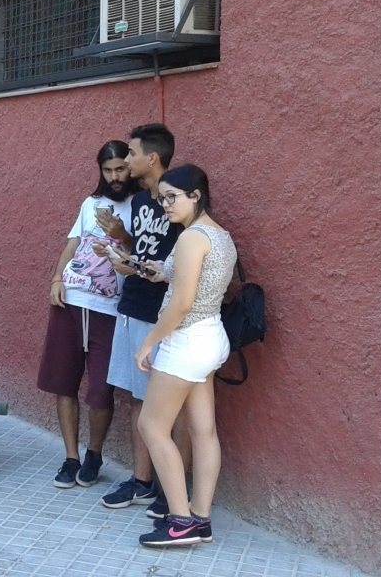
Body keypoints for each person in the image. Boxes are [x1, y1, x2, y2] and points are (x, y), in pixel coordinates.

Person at [134, 165, 236, 548]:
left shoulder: (192, 238)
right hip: (210, 336)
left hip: (186, 341)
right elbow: (195, 282)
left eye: (172, 197)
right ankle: (200, 519)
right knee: (203, 431)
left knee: (152, 427)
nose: (165, 205)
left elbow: (181, 303)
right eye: (162, 198)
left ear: (195, 195)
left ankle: (179, 521)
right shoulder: (218, 234)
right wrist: (160, 272)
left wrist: (148, 342)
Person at [99, 124, 188, 514]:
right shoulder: (137, 203)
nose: (127, 160)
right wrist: (123, 248)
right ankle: (141, 482)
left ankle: (174, 492)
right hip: (131, 307)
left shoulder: (177, 202)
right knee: (136, 398)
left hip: (162, 318)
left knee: (173, 408)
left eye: (132, 154)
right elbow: (144, 253)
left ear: (151, 158)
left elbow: (180, 263)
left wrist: (141, 267)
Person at [39, 141, 136, 490]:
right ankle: (70, 456)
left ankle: (94, 454)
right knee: (63, 382)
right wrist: (54, 278)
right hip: (71, 300)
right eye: (108, 170)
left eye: (120, 169)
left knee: (101, 390)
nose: (114, 177)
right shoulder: (89, 203)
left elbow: (138, 251)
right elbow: (71, 244)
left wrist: (119, 234)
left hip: (109, 310)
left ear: (131, 167)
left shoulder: (140, 205)